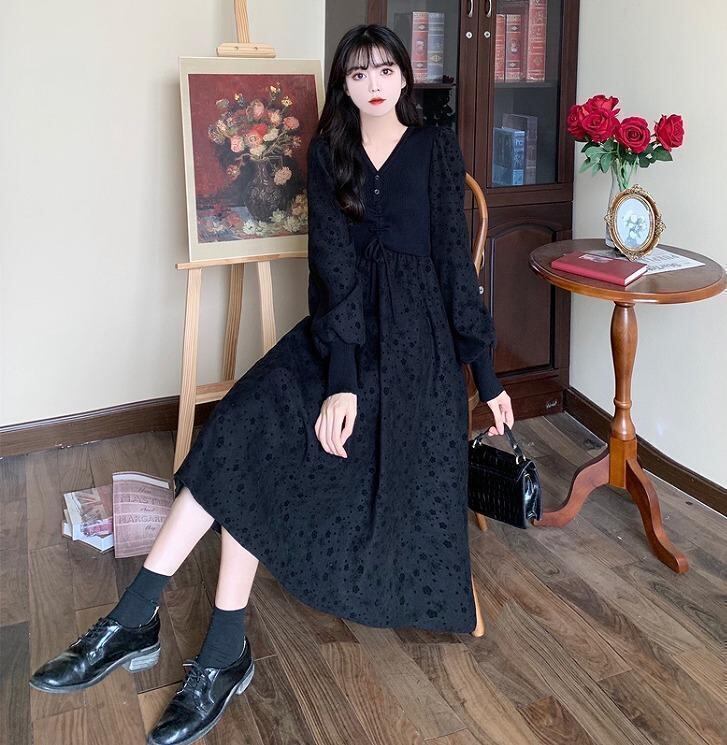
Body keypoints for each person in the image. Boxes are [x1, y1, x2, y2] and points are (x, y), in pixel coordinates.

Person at [29, 23, 514, 745]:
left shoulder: (435, 147)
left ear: (405, 77)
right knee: (247, 418)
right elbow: (332, 269)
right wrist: (341, 381)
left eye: (385, 69)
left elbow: (452, 264)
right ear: (343, 84)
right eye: (358, 73)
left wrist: (487, 374)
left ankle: (193, 643)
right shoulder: (329, 152)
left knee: (268, 443)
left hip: (420, 355)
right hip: (344, 336)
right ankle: (146, 617)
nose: (374, 84)